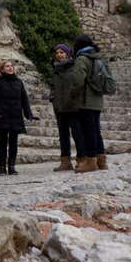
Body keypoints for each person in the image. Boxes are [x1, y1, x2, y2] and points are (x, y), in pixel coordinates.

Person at [0, 60, 37, 176]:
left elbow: (24, 99)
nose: (10, 68)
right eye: (7, 66)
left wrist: (28, 114)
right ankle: (2, 168)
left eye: (11, 66)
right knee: (2, 142)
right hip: (2, 115)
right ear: (2, 69)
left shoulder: (18, 82)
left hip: (15, 115)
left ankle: (12, 167)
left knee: (13, 142)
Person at [69, 35, 107, 173]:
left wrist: (72, 93)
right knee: (96, 130)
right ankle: (101, 160)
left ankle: (91, 161)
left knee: (88, 131)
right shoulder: (97, 58)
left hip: (85, 101)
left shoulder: (82, 59)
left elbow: (78, 80)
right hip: (97, 100)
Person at [50, 43, 84, 171]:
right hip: (59, 106)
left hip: (73, 106)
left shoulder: (74, 67)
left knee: (77, 133)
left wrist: (74, 98)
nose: (59, 55)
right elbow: (53, 86)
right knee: (62, 135)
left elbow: (79, 84)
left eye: (62, 52)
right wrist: (52, 97)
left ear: (68, 54)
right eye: (57, 52)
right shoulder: (55, 68)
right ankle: (65, 161)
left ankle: (81, 159)